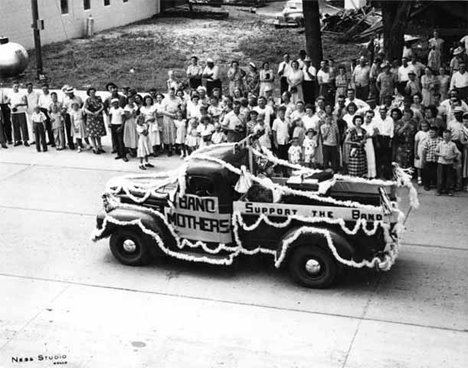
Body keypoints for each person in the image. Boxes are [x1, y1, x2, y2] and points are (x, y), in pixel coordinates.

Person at [435, 130, 460, 196]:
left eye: (447, 136)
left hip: (449, 163)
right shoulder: (440, 144)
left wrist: (451, 157)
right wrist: (441, 155)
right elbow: (435, 152)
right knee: (440, 177)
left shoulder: (453, 144)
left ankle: (448, 190)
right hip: (441, 163)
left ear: (450, 136)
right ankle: (439, 190)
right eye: (444, 136)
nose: (445, 137)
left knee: (449, 177)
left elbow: (457, 153)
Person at [84, 87, 106, 154]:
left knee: (98, 133)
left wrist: (98, 112)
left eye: (93, 92)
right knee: (92, 133)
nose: (93, 93)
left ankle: (100, 146)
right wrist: (92, 113)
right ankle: (95, 147)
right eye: (91, 92)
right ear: (89, 93)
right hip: (91, 118)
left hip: (98, 117)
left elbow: (102, 106)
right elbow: (85, 109)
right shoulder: (87, 100)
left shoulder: (98, 98)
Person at [374, 106, 395, 179]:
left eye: (384, 112)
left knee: (387, 158)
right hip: (379, 138)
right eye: (381, 112)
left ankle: (387, 175)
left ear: (386, 112)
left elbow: (392, 130)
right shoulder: (376, 119)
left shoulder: (390, 119)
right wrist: (376, 141)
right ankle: (378, 174)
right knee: (378, 157)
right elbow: (375, 130)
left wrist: (390, 141)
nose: (382, 113)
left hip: (387, 138)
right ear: (379, 112)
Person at [7, 82, 29, 146]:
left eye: (17, 86)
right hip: (14, 112)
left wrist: (19, 104)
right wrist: (11, 107)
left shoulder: (22, 94)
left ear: (18, 87)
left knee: (23, 127)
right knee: (15, 127)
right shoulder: (10, 94)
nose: (16, 88)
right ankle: (18, 140)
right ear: (12, 87)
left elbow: (25, 103)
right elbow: (8, 103)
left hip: (21, 111)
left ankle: (25, 140)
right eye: (15, 86)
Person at [421, 125, 442, 190]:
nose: (431, 134)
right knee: (427, 173)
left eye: (432, 132)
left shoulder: (440, 140)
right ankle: (426, 185)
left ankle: (435, 184)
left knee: (436, 172)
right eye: (430, 132)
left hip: (437, 159)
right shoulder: (427, 140)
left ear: (436, 132)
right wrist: (423, 159)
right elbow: (424, 150)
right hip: (429, 159)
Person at [160, 88, 180, 156]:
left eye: (173, 92)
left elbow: (181, 107)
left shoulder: (178, 99)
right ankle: (169, 149)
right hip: (167, 117)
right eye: (170, 92)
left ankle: (177, 148)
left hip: (176, 117)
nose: (172, 94)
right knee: (168, 133)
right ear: (168, 92)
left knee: (176, 132)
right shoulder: (165, 100)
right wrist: (171, 115)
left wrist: (177, 114)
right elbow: (162, 111)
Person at [272, 106, 290, 175]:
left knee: (285, 157)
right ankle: (278, 172)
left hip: (285, 141)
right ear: (278, 113)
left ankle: (285, 172)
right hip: (279, 142)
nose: (282, 114)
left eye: (283, 112)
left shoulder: (287, 121)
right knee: (279, 157)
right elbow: (274, 131)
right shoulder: (276, 121)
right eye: (281, 112)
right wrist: (275, 142)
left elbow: (288, 129)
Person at [414, 120, 430, 185]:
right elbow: (416, 143)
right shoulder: (419, 133)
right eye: (422, 126)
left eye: (425, 126)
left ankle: (426, 178)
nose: (424, 128)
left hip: (428, 150)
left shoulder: (429, 132)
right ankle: (419, 178)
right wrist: (415, 153)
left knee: (426, 165)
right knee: (419, 165)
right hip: (420, 150)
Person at [363, 110, 377, 179]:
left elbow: (376, 132)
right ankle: (363, 173)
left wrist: (370, 136)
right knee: (363, 157)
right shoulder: (361, 122)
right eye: (368, 116)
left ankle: (371, 174)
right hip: (361, 141)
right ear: (365, 116)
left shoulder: (373, 123)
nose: (369, 118)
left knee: (370, 157)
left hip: (369, 142)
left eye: (371, 117)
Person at [461, 112, 468, 191]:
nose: (465, 123)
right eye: (464, 121)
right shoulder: (462, 129)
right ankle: (466, 185)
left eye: (467, 121)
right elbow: (462, 141)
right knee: (466, 167)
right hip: (466, 151)